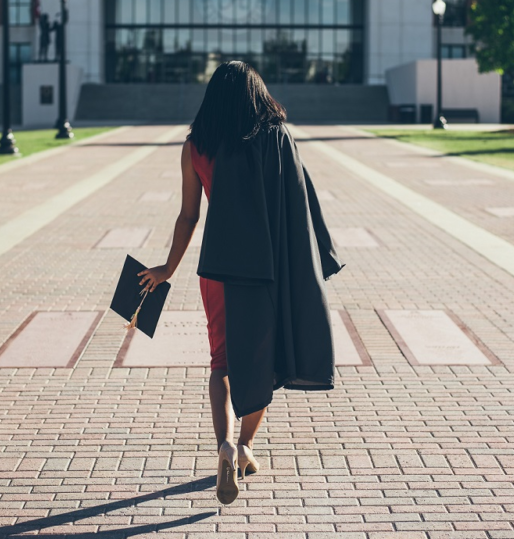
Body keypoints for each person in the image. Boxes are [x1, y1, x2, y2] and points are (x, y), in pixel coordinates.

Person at [138, 61, 344, 505]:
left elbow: (188, 216)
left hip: (219, 269)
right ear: (257, 94)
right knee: (261, 360)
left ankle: (225, 445)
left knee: (222, 362)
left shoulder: (196, 147)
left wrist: (167, 269)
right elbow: (299, 203)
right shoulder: (276, 139)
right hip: (265, 269)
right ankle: (248, 445)